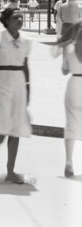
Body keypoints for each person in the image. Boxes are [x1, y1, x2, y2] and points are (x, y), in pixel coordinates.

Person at [0, 8, 32, 184]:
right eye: (15, 17)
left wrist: (28, 88)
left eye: (21, 16)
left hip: (19, 83)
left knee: (17, 127)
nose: (19, 19)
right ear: (7, 20)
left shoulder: (26, 40)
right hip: (3, 82)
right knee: (3, 126)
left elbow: (26, 66)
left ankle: (10, 171)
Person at [55, 20, 82, 177]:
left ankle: (69, 161)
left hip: (74, 85)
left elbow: (64, 71)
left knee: (71, 124)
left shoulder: (69, 49)